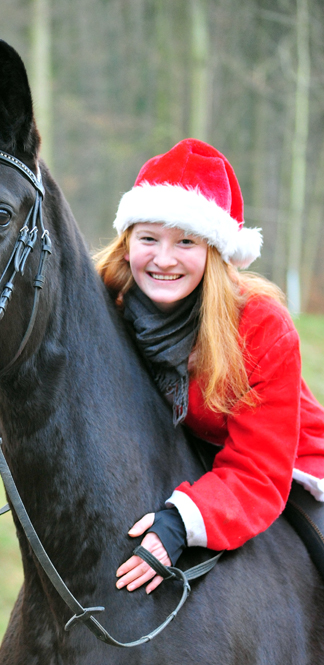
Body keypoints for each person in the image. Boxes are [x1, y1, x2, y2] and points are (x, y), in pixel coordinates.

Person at [94, 138, 324, 594]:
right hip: (188, 450)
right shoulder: (107, 300)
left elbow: (258, 468)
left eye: (185, 242)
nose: (163, 259)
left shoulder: (262, 326)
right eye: (148, 239)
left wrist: (180, 525)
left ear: (214, 253)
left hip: (285, 463)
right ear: (126, 243)